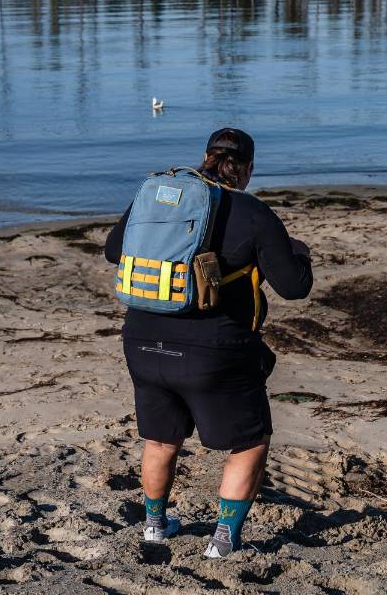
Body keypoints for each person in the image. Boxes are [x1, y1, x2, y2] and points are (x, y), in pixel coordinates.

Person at [104, 127, 313, 558]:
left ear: (204, 156)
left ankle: (155, 526)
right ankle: (223, 541)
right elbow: (293, 287)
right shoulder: (253, 213)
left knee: (161, 440)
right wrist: (300, 254)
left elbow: (112, 250)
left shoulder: (155, 195)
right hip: (213, 352)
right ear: (249, 169)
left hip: (141, 341)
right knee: (250, 440)